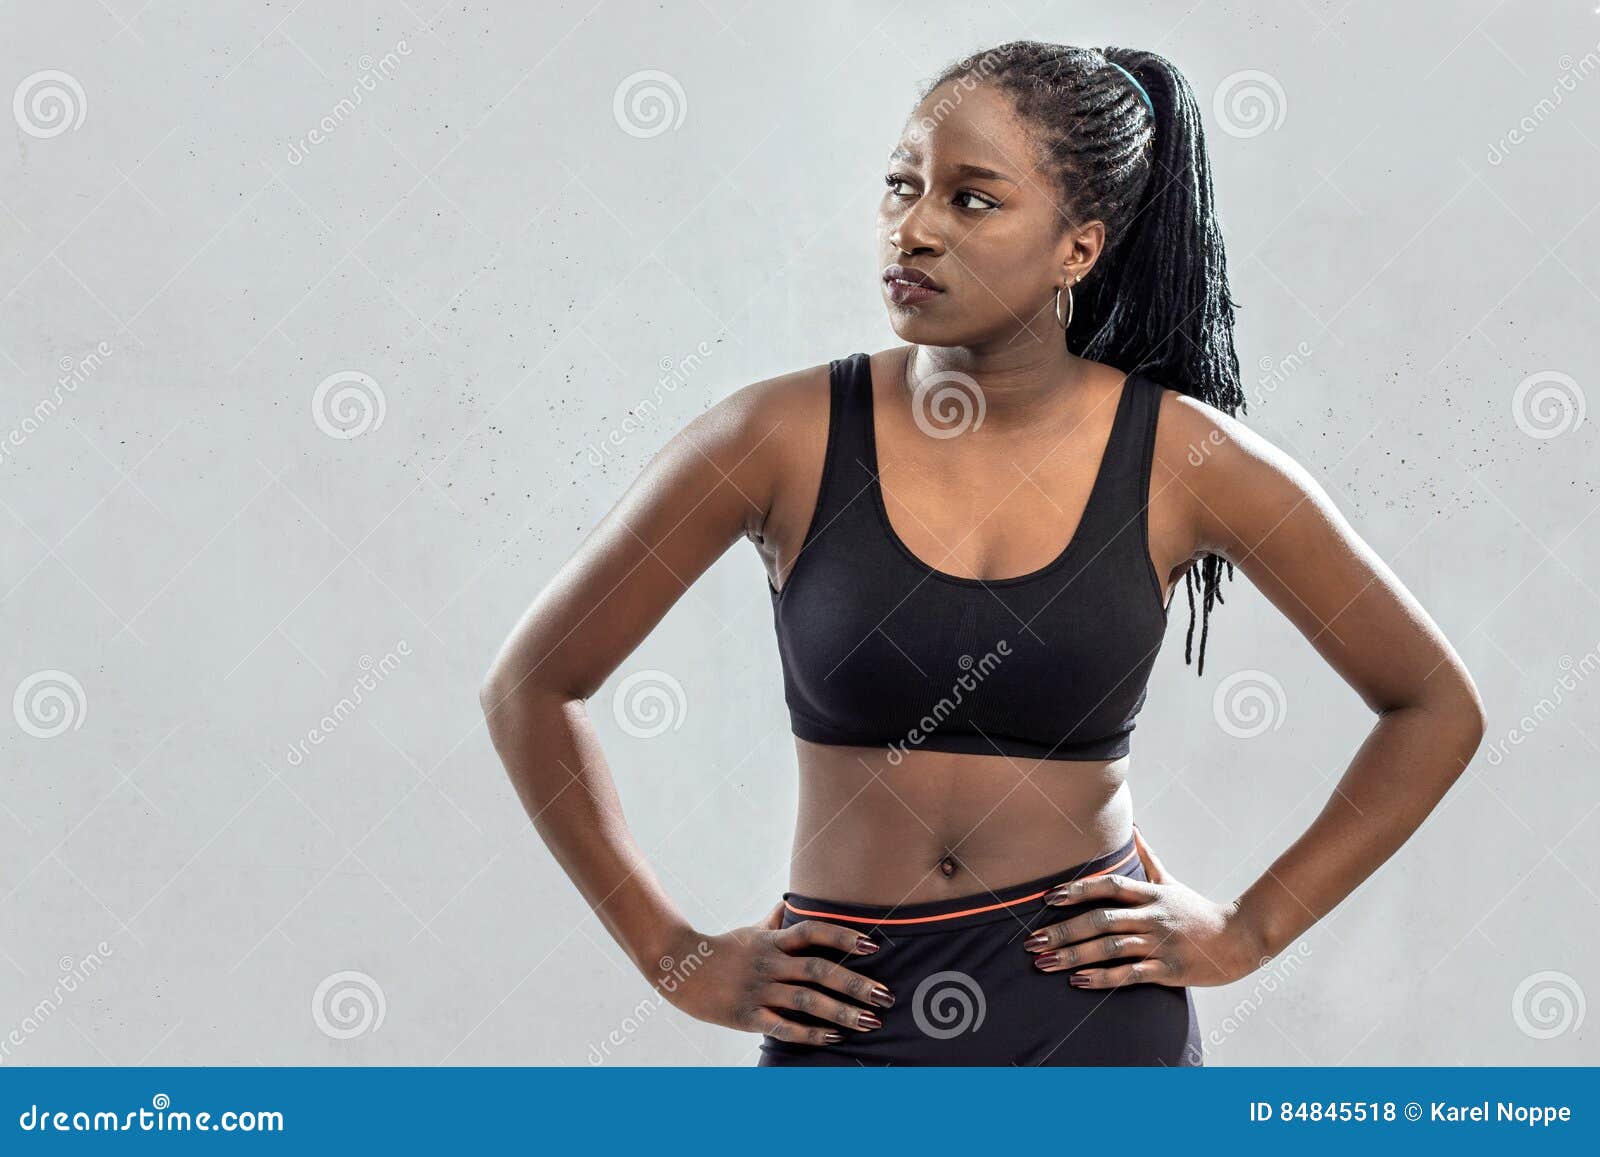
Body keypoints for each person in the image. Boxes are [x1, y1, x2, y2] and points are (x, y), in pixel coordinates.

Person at [479, 41, 1486, 1066]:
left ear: (1077, 248)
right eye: (901, 186)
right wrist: (673, 954)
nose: (912, 228)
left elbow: (1432, 705)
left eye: (971, 201)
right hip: (846, 1013)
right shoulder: (776, 437)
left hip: (1095, 1014)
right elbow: (532, 684)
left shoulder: (1188, 460)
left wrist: (1249, 928)